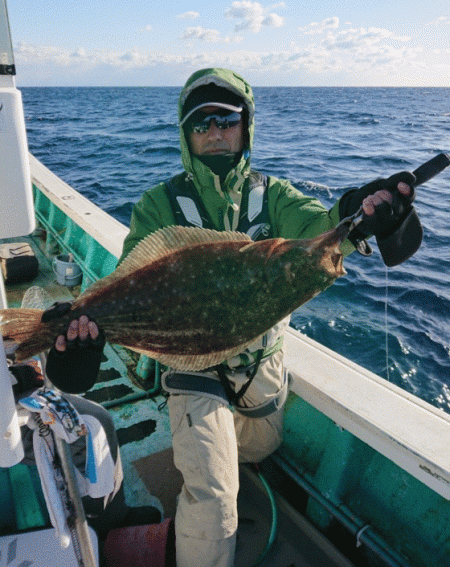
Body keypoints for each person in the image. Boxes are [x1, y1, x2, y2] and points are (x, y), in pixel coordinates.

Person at [117, 67, 416, 567]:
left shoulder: (272, 195)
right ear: (186, 135)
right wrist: (87, 325)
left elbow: (321, 228)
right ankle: (199, 499)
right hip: (193, 362)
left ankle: (210, 455)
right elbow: (130, 275)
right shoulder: (159, 205)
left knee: (257, 448)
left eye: (227, 120)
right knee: (215, 501)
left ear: (246, 126)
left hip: (261, 362)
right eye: (201, 122)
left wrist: (359, 212)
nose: (215, 131)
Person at [9, 314, 160, 541]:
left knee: (96, 417)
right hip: (7, 412)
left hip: (10, 389)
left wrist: (21, 366)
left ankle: (109, 510)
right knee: (92, 427)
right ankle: (103, 521)